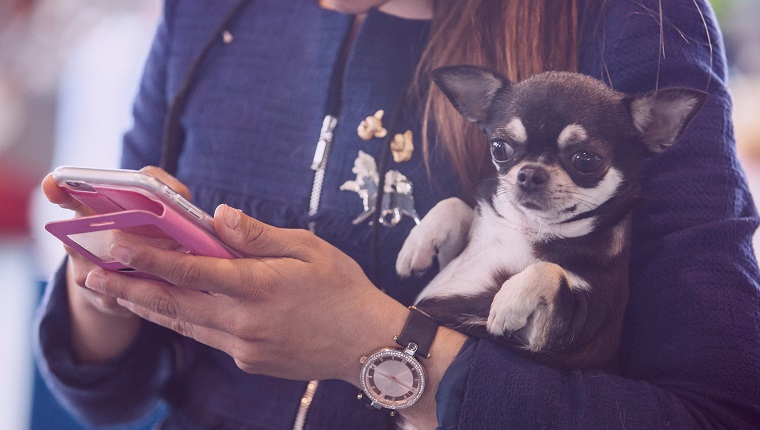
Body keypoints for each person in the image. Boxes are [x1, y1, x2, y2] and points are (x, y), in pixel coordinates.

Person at [34, 0, 760, 429]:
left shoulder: (635, 23)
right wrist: (112, 281)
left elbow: (718, 411)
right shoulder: (207, 12)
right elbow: (109, 392)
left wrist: (381, 347)